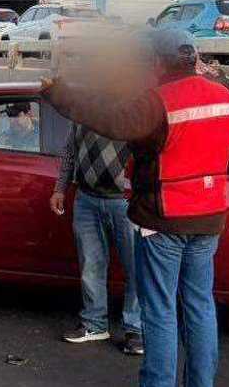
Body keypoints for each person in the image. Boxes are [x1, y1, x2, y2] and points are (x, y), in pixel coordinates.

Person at [42, 28, 229, 387]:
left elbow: (110, 120)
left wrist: (58, 95)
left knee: (160, 311)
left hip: (163, 220)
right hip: (209, 219)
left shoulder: (159, 101)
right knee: (200, 307)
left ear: (157, 62)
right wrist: (203, 171)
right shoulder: (227, 98)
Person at [48, 122, 143, 355]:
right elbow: (71, 150)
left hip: (126, 200)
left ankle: (136, 330)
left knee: (137, 268)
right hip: (86, 198)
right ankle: (95, 324)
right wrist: (60, 189)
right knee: (91, 264)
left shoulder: (133, 107)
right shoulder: (82, 110)